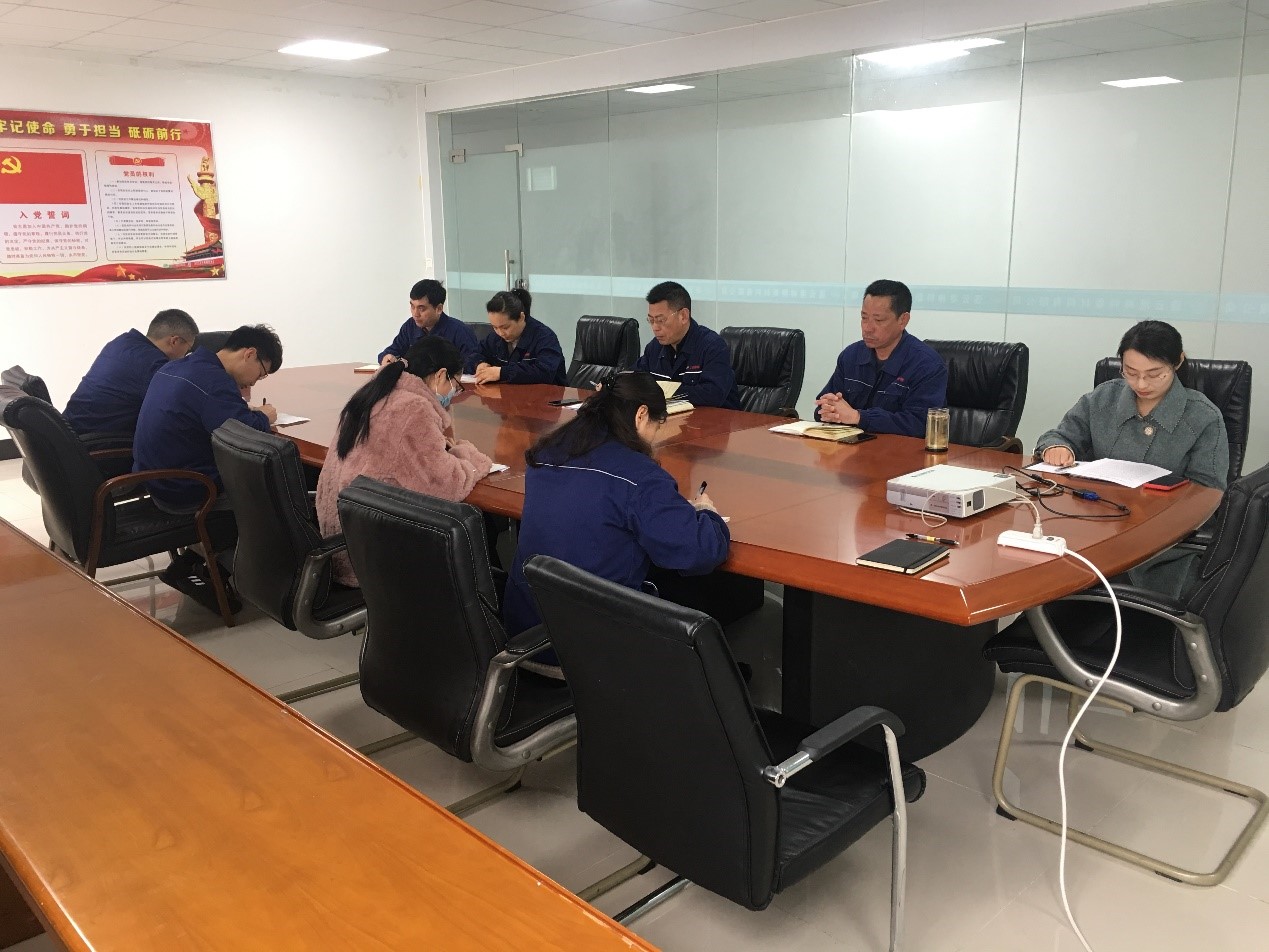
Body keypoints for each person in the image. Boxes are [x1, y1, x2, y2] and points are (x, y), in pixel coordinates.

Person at [502, 371, 730, 638]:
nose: (655, 441)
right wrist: (706, 513)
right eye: (657, 428)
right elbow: (700, 551)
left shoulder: (545, 453)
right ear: (641, 415)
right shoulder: (639, 477)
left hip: (524, 626)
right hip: (596, 642)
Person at [1036, 319, 1228, 596]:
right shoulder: (1104, 397)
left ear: (1178, 362)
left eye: (1154, 374)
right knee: (1048, 576)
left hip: (1163, 546)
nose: (1141, 383)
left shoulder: (1203, 416)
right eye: (1130, 372)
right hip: (1093, 530)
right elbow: (1059, 435)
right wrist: (1057, 447)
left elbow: (1208, 492)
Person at [317, 337, 493, 587]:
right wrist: (469, 454)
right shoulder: (414, 408)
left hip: (341, 540)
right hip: (372, 557)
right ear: (440, 375)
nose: (453, 394)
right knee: (472, 523)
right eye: (455, 385)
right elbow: (447, 485)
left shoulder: (376, 391)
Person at [133, 324, 281, 513]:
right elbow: (245, 435)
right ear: (250, 354)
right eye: (260, 374)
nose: (253, 382)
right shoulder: (214, 382)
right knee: (279, 485)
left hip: (154, 482)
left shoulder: (176, 365)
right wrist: (264, 416)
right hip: (185, 490)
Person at [815, 279, 947, 436]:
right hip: (852, 446)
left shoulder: (927, 365)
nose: (867, 328)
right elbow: (824, 405)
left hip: (898, 450)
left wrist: (858, 417)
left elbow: (921, 424)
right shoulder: (851, 356)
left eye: (878, 320)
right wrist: (828, 410)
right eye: (864, 318)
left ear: (903, 320)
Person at [63, 309, 199, 436]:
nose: (185, 356)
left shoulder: (122, 342)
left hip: (70, 432)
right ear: (175, 341)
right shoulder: (152, 364)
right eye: (188, 350)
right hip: (97, 442)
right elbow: (183, 404)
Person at [634, 281, 740, 409]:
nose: (655, 327)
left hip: (717, 419)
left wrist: (665, 392)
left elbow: (713, 394)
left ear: (683, 316)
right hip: (672, 418)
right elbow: (634, 379)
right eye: (651, 320)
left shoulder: (712, 346)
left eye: (660, 320)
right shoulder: (654, 348)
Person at [378, 278, 480, 374]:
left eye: (421, 308)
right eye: (412, 306)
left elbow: (472, 365)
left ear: (439, 309)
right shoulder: (410, 326)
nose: (415, 314)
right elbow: (392, 351)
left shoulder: (460, 331)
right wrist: (386, 357)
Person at [472, 288, 566, 386]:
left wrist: (502, 373)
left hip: (547, 394)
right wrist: (479, 363)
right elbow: (475, 354)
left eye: (505, 327)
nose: (500, 333)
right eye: (495, 327)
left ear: (521, 317)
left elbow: (545, 372)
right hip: (508, 393)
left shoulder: (544, 337)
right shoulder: (495, 337)